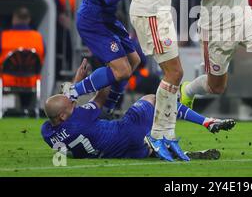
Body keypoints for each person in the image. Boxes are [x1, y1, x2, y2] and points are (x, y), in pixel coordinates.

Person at [111, 0, 211, 162]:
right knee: (174, 72)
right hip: (150, 13)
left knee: (175, 75)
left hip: (159, 12)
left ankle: (166, 135)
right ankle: (158, 134)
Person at [42, 59, 235, 160]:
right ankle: (206, 122)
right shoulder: (79, 120)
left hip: (116, 150)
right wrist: (103, 75)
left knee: (141, 148)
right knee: (153, 99)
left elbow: (64, 115)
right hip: (125, 130)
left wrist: (74, 92)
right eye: (72, 104)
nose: (74, 102)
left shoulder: (48, 132)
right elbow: (101, 97)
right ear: (62, 115)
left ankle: (157, 148)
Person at [61, 0, 150, 128]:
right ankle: (72, 92)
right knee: (122, 70)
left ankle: (107, 109)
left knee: (134, 60)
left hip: (108, 19)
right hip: (93, 19)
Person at [0, 7, 45, 114]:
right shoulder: (38, 37)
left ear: (14, 19)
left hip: (7, 80)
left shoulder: (4, 37)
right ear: (28, 19)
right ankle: (26, 110)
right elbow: (41, 59)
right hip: (31, 80)